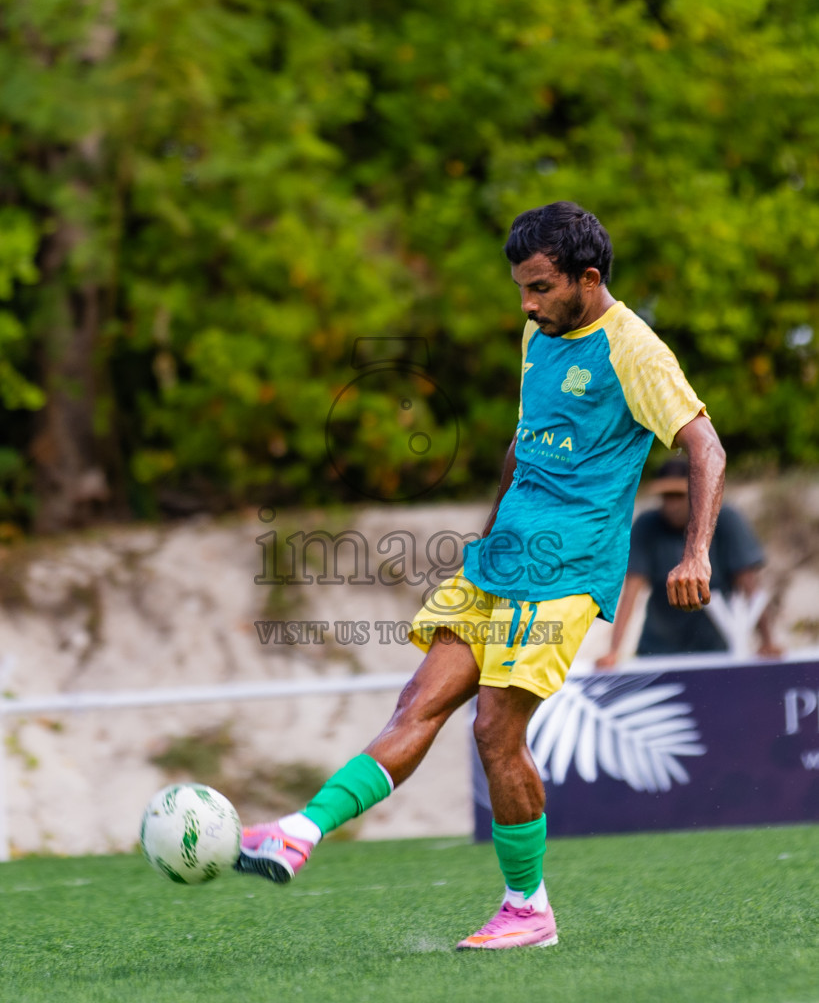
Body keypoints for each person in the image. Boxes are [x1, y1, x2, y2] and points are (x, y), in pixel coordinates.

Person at [235, 201, 726, 950]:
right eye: (521, 289)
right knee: (417, 703)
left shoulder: (635, 350)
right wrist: (488, 530)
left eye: (539, 288)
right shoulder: (542, 331)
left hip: (566, 572)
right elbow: (523, 439)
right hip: (501, 558)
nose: (526, 304)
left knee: (495, 729)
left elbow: (705, 447)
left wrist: (694, 552)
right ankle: (299, 832)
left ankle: (527, 910)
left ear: (587, 280)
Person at [596, 457, 780, 667]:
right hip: (657, 650)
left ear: (697, 494)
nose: (671, 505)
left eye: (678, 496)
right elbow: (631, 592)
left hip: (716, 650)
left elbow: (750, 587)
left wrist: (768, 642)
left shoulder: (726, 520)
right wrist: (613, 651)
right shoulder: (647, 525)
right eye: (666, 496)